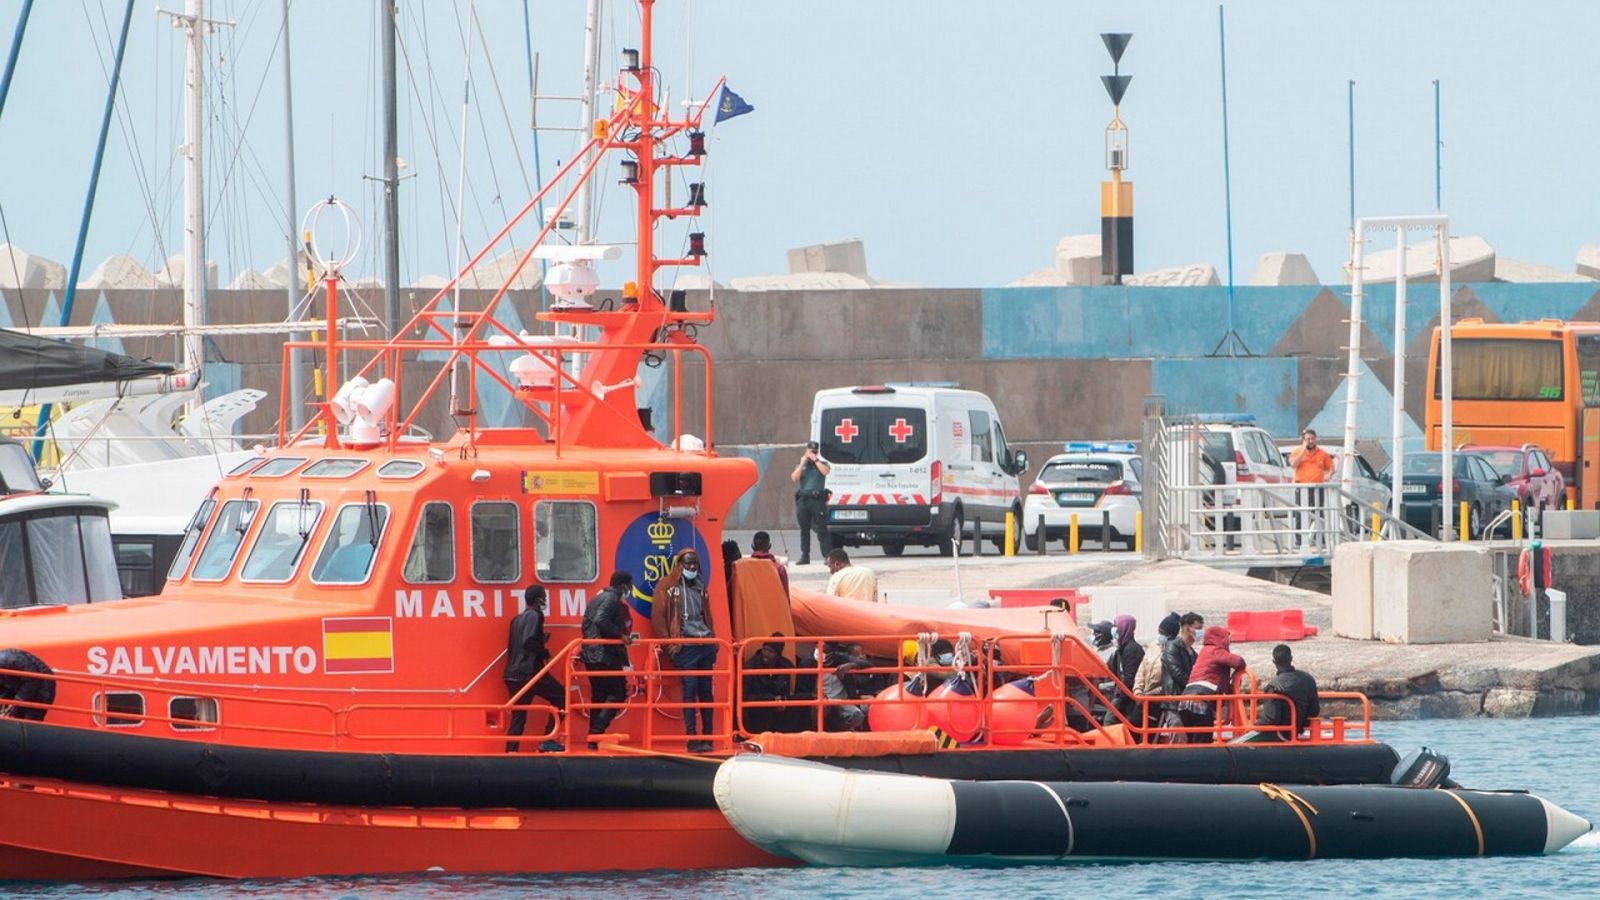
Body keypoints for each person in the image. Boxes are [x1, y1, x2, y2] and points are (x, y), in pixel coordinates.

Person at [651, 549, 718, 752]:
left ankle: (709, 737)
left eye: (695, 564)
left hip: (704, 643)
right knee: (689, 692)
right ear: (680, 564)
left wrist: (713, 641)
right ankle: (691, 738)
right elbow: (659, 618)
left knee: (706, 693)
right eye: (688, 564)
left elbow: (707, 615)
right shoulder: (667, 586)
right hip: (685, 646)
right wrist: (669, 645)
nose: (691, 567)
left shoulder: (700, 585)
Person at [503, 585, 565, 752]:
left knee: (518, 717)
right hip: (530, 673)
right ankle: (548, 740)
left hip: (512, 674)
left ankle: (511, 751)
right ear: (538, 599)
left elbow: (516, 644)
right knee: (562, 698)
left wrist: (539, 639)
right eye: (543, 597)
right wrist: (544, 652)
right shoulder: (536, 615)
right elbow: (528, 641)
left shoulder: (516, 619)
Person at [580, 571, 636, 742]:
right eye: (629, 585)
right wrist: (621, 636)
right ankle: (597, 732)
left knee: (599, 696)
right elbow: (600, 619)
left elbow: (587, 623)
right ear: (622, 585)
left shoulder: (595, 599)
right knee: (618, 692)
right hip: (605, 655)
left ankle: (592, 737)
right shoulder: (612, 599)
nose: (631, 589)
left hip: (591, 655)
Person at [1175, 625, 1246, 744]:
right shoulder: (1216, 650)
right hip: (1201, 701)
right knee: (1202, 741)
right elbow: (1238, 662)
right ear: (1221, 639)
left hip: (1185, 700)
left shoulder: (1204, 651)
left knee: (1190, 740)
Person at [1249, 644, 1320, 742]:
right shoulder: (1308, 679)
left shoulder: (1273, 686)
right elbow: (1314, 711)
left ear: (1274, 662)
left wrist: (1253, 726)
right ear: (1291, 658)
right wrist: (1301, 726)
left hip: (1280, 736)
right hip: (1296, 732)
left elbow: (1271, 718)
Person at [741, 635, 796, 735]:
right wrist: (770, 700)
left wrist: (781, 701)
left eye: (770, 651)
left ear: (778, 655)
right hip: (756, 712)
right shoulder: (750, 667)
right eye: (765, 649)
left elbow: (786, 693)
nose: (766, 654)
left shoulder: (785, 668)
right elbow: (744, 696)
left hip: (778, 712)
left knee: (800, 702)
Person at [1133, 612, 1180, 729]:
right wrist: (1138, 691)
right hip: (1142, 698)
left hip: (1157, 700)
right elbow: (1142, 669)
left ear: (1171, 635)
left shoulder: (1175, 652)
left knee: (1151, 733)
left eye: (1163, 633)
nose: (1160, 636)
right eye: (1159, 632)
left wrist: (1150, 694)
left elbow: (1169, 681)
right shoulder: (1154, 646)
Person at [1289, 428, 1335, 547]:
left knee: (1318, 512)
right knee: (1300, 513)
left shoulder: (1322, 453)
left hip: (1317, 487)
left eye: (1312, 439)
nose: (1310, 441)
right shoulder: (1296, 451)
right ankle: (1299, 539)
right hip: (1302, 486)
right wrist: (1303, 451)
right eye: (1308, 439)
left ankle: (1319, 537)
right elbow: (1294, 464)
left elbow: (1331, 466)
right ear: (1303, 440)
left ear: (1315, 439)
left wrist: (1328, 475)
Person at [790, 440, 832, 565]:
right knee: (804, 529)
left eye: (815, 451)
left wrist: (815, 459)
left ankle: (827, 555)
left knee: (822, 529)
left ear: (817, 452)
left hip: (817, 499)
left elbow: (825, 472)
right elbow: (794, 478)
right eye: (811, 451)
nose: (812, 453)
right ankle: (805, 555)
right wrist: (803, 461)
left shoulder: (822, 463)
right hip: (804, 499)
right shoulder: (802, 465)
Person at [1102, 615, 1145, 732]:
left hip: (1126, 695)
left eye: (1116, 626)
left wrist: (1119, 698)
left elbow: (1130, 678)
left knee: (1109, 722)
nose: (1114, 629)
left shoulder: (1132, 649)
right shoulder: (1122, 648)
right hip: (1121, 693)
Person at [0, 648, 56, 721]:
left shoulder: (9, 659)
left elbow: (32, 678)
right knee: (18, 718)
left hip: (42, 686)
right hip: (23, 687)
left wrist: (17, 700)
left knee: (31, 718)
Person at [748, 530, 790, 597]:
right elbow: (785, 596)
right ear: (769, 546)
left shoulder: (744, 568)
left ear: (752, 546)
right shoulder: (779, 569)